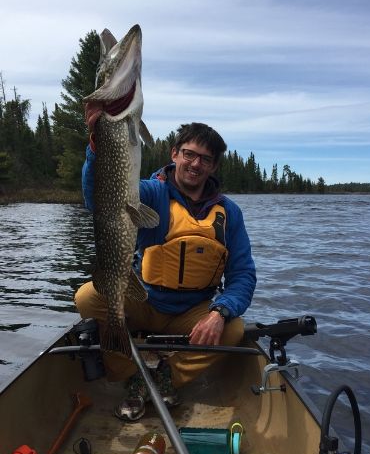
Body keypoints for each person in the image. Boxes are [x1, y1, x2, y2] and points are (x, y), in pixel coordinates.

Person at [75, 122, 257, 421]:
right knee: (88, 297)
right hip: (145, 300)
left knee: (233, 328)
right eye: (189, 154)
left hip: (191, 311)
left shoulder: (229, 212)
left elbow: (243, 275)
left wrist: (219, 313)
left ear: (213, 167)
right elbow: (99, 195)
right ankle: (130, 374)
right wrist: (98, 143)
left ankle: (167, 376)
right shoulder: (150, 192)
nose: (195, 164)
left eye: (205, 159)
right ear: (174, 154)